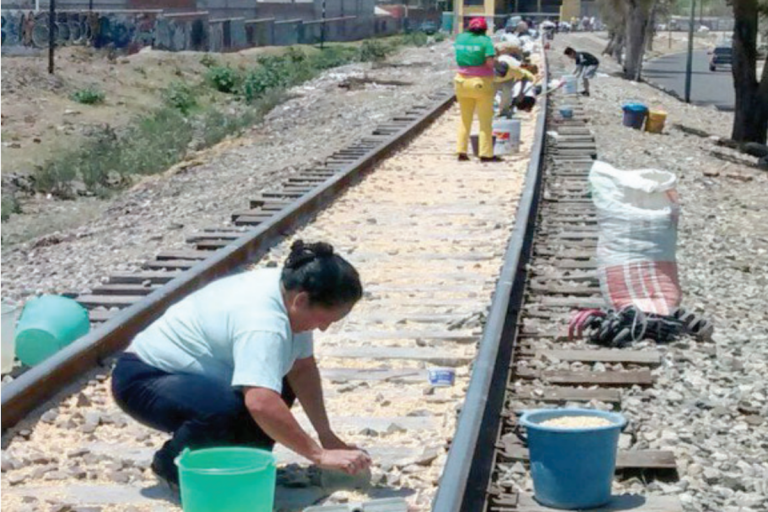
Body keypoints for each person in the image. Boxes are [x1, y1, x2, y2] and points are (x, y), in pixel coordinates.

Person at [111, 240, 371, 494]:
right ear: (301, 301)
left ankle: (239, 464)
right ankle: (171, 464)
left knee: (278, 381)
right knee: (226, 409)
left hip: (203, 375)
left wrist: (326, 436)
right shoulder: (263, 321)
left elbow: (301, 369)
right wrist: (318, 455)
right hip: (144, 377)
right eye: (324, 319)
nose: (324, 327)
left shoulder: (291, 293)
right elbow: (259, 401)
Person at [453, 17, 500, 162]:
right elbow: (489, 63)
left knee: (464, 118)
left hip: (461, 81)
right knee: (485, 120)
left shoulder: (460, 38)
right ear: (484, 29)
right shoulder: (485, 41)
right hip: (480, 83)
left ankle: (461, 151)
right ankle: (485, 154)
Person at [494, 42, 537, 116]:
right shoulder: (488, 65)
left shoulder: (513, 68)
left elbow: (524, 78)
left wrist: (521, 93)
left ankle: (504, 111)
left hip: (507, 80)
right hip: (491, 79)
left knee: (507, 92)